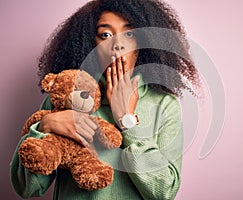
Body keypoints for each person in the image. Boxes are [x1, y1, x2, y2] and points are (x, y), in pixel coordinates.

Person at [10, 0, 201, 199]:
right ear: (89, 43)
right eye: (105, 35)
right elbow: (27, 188)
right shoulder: (68, 97)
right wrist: (44, 127)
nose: (117, 45)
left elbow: (164, 193)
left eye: (129, 34)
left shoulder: (163, 105)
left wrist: (128, 121)